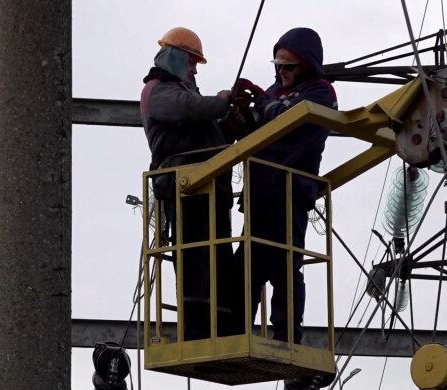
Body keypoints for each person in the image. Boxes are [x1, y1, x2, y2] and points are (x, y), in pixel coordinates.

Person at [232, 27, 338, 345]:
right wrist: (241, 112)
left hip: (288, 191)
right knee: (247, 266)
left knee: (284, 265)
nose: (282, 71)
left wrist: (261, 102)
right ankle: (236, 331)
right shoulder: (275, 91)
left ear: (306, 63)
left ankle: (287, 336)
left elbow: (285, 120)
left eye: (289, 66)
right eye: (278, 64)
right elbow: (261, 125)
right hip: (261, 191)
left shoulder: (321, 93)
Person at [140, 27, 239, 340]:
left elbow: (208, 129)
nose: (196, 69)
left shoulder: (184, 95)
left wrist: (232, 121)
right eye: (192, 61)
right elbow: (188, 109)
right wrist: (221, 101)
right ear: (176, 58)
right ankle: (196, 331)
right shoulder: (158, 91)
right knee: (195, 259)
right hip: (186, 187)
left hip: (209, 187)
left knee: (218, 257)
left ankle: (220, 328)